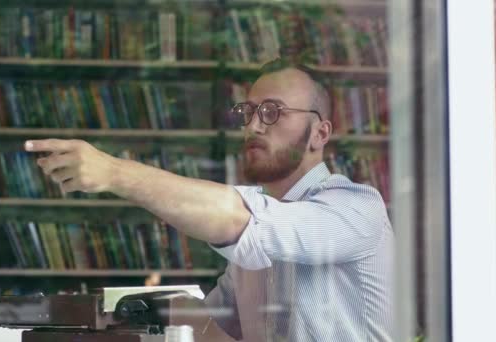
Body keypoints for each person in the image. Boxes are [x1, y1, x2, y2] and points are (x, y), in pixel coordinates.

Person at [24, 59, 394, 342]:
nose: (253, 127)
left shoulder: (356, 209)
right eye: (248, 113)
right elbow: (217, 327)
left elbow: (244, 220)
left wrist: (113, 173)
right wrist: (133, 313)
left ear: (320, 132)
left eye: (272, 112)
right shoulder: (252, 244)